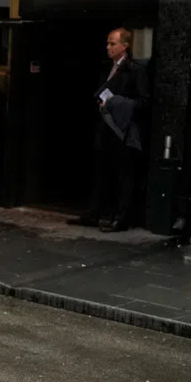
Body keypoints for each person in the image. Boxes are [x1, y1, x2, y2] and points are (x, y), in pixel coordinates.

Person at [71, 27, 150, 232]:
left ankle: (121, 218)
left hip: (122, 130)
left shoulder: (135, 70)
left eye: (113, 43)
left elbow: (144, 102)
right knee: (101, 171)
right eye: (108, 43)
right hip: (105, 127)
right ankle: (94, 213)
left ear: (125, 46)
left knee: (124, 174)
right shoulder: (107, 67)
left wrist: (117, 103)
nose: (108, 47)